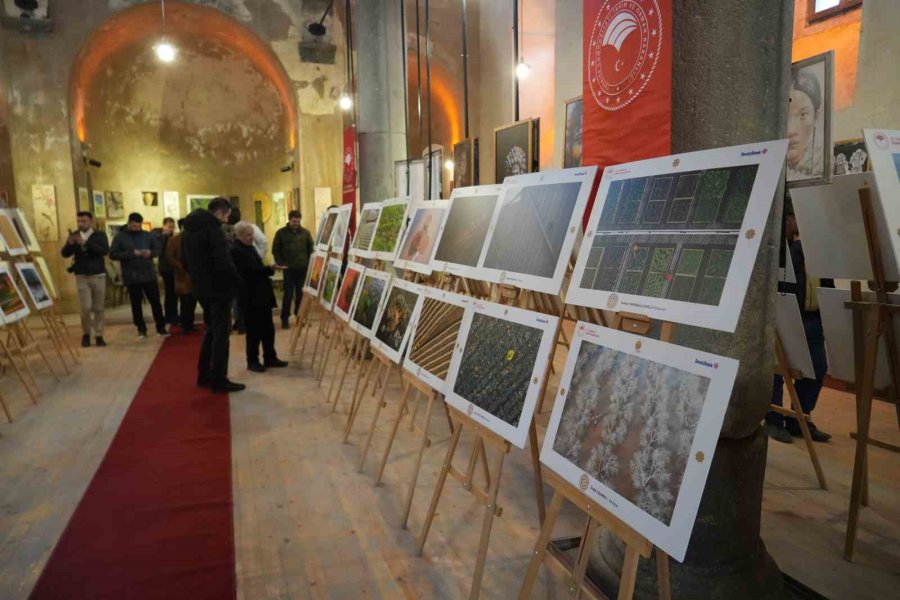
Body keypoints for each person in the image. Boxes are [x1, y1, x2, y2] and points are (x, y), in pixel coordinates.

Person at [765, 212, 832, 444]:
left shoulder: (822, 253)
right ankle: (774, 419)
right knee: (778, 369)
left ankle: (799, 418)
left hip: (814, 319)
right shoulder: (791, 250)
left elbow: (828, 285)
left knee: (818, 367)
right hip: (788, 315)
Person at [182, 197, 245, 393]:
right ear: (220, 212)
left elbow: (185, 261)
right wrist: (237, 282)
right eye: (226, 214)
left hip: (201, 288)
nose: (227, 218)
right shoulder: (213, 230)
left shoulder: (188, 230)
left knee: (210, 331)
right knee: (221, 334)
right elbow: (223, 262)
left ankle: (204, 374)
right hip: (219, 289)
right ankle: (219, 379)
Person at [231, 221, 289, 372]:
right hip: (251, 297)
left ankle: (270, 357)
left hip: (261, 295)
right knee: (254, 331)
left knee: (268, 329)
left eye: (252, 234)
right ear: (239, 236)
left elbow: (255, 268)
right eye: (249, 235)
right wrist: (270, 269)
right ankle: (253, 360)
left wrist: (268, 269)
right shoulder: (236, 250)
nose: (252, 237)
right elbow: (249, 272)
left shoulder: (249, 247)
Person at [109, 212, 167, 338]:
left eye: (138, 226)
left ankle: (161, 327)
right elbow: (112, 254)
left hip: (148, 274)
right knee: (136, 304)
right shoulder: (120, 237)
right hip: (131, 275)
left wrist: (150, 253)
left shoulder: (148, 235)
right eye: (134, 226)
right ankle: (141, 328)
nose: (136, 228)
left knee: (156, 302)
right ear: (129, 223)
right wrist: (131, 253)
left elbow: (158, 250)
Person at [61, 211, 109, 347]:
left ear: (91, 221)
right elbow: (64, 254)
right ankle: (86, 334)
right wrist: (69, 244)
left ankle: (99, 335)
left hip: (98, 274)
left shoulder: (99, 235)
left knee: (99, 307)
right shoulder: (74, 234)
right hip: (81, 275)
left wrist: (86, 243)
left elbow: (104, 250)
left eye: (84, 221)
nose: (81, 224)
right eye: (79, 221)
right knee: (85, 307)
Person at [273, 209, 314, 329]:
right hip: (289, 269)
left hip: (302, 269)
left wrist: (311, 264)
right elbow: (276, 250)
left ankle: (299, 317)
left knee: (301, 295)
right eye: (294, 221)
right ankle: (284, 319)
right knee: (288, 295)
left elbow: (310, 248)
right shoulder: (281, 233)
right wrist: (280, 263)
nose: (296, 223)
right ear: (289, 219)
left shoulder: (305, 233)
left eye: (298, 221)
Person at [786, 70, 823, 180]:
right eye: (784, 117)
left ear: (815, 117)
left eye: (802, 115)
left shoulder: (822, 164)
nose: (790, 130)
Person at [165, 218, 197, 333]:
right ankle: (185, 325)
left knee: (193, 300)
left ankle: (190, 323)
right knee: (185, 301)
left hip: (194, 274)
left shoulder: (195, 238)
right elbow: (169, 257)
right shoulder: (174, 240)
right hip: (182, 274)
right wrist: (179, 266)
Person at [154, 217, 179, 327]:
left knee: (172, 292)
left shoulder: (170, 236)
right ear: (164, 226)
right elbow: (161, 251)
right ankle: (170, 315)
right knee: (170, 292)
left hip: (171, 267)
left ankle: (172, 314)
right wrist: (165, 236)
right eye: (169, 227)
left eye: (173, 227)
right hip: (166, 268)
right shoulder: (159, 236)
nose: (171, 229)